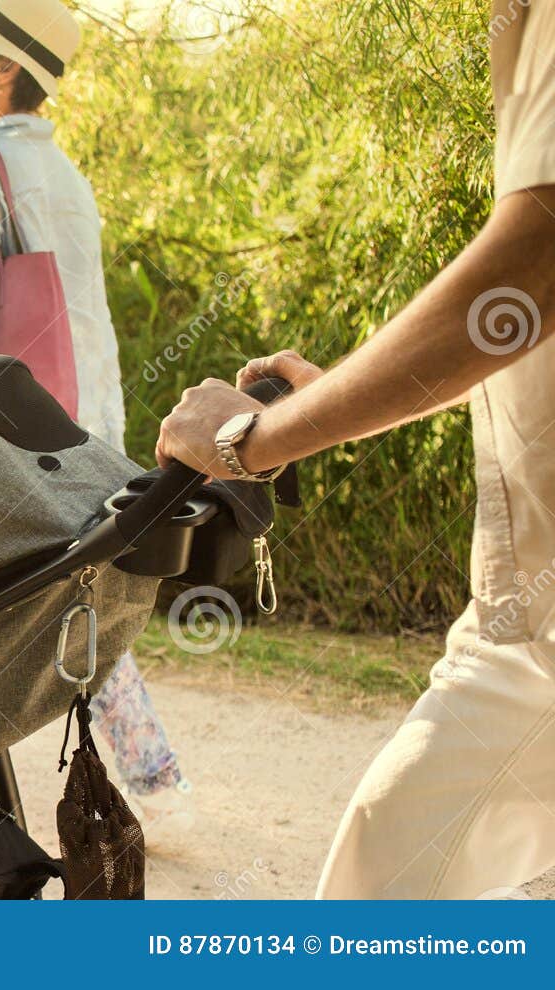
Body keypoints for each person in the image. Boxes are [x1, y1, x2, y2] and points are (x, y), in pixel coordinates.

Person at [157, 0, 555, 898]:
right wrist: (339, 397)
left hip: (537, 640)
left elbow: (531, 266)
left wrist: (248, 439)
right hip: (525, 618)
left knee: (375, 902)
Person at [0, 0, 192, 825]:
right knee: (70, 599)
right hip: (87, 418)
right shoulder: (67, 177)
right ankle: (155, 784)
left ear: (6, 68)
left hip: (9, 431)